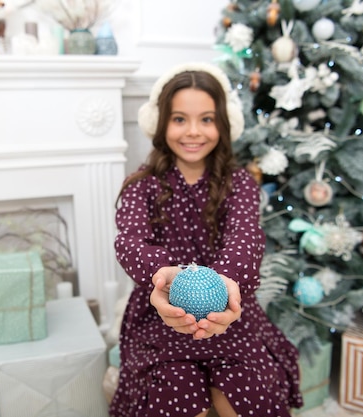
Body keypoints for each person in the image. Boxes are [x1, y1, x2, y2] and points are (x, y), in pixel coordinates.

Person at [111, 62, 303, 417]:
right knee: (176, 398)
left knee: (248, 398)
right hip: (161, 315)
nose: (193, 132)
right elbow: (130, 242)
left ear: (223, 124)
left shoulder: (240, 183)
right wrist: (163, 274)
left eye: (207, 119)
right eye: (180, 119)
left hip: (231, 312)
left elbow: (246, 239)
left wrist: (228, 282)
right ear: (161, 123)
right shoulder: (142, 185)